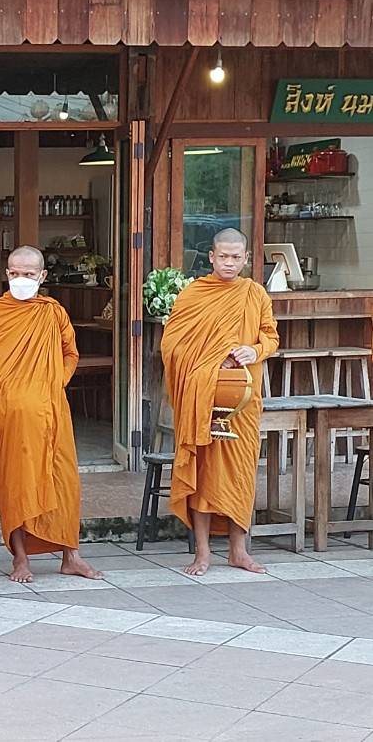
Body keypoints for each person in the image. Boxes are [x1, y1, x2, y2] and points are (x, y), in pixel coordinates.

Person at [0, 246, 103, 583]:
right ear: (6, 274)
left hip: (51, 411)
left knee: (63, 480)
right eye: (15, 273)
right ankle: (20, 559)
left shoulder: (52, 312)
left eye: (29, 275)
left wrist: (50, 382)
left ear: (43, 277)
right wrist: (14, 393)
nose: (21, 280)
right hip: (12, 415)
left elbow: (70, 353)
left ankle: (70, 555)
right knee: (16, 483)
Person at [161, 228, 279, 576]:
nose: (229, 263)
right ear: (211, 257)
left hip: (242, 402)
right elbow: (172, 346)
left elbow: (271, 337)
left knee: (240, 471)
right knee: (202, 469)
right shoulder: (193, 294)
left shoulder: (255, 294)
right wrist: (211, 363)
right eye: (222, 256)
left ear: (246, 258)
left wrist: (252, 350)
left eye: (235, 257)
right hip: (202, 401)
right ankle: (202, 552)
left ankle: (238, 550)